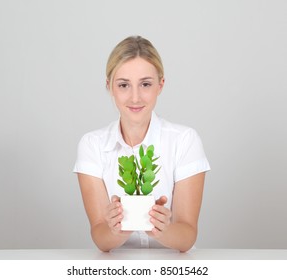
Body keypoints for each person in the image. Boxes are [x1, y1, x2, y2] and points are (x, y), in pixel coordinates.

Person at [73, 36, 210, 252]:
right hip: (117, 269)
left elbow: (187, 236)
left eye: (145, 84)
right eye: (124, 85)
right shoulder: (92, 145)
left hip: (174, 268)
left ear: (160, 85)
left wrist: (161, 229)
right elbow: (100, 238)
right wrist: (119, 227)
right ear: (109, 86)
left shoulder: (184, 140)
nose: (135, 97)